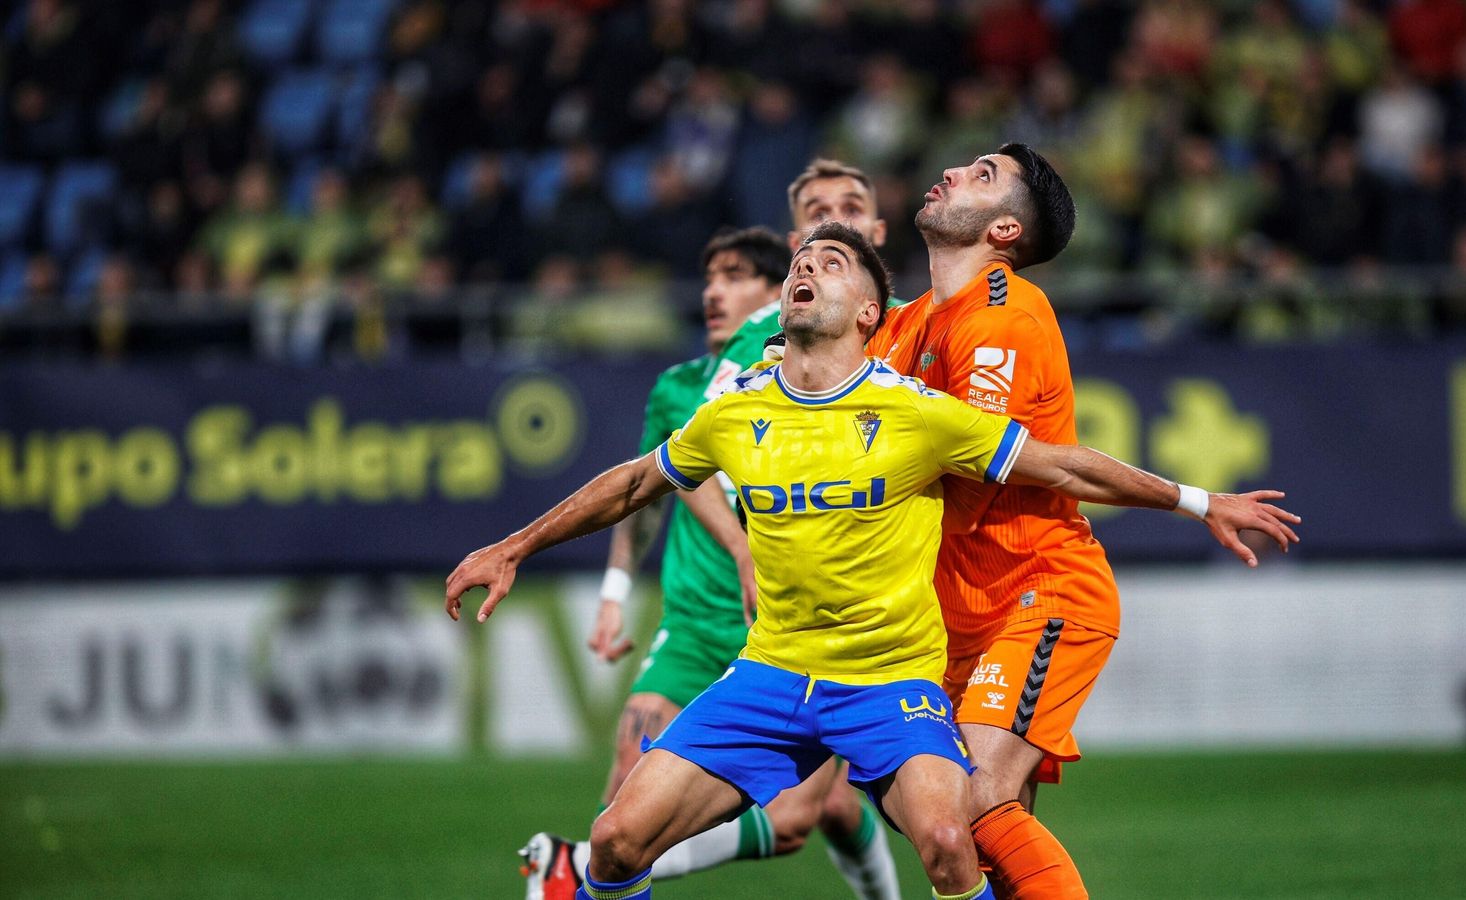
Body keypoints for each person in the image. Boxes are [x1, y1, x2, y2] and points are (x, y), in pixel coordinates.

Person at [447, 223, 1302, 900]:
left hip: (890, 684)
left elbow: (1063, 463)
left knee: (947, 840)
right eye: (800, 263)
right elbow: (634, 484)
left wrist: (1200, 500)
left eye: (831, 262)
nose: (805, 270)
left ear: (869, 315)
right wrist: (512, 546)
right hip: (768, 677)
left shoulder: (913, 412)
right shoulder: (734, 411)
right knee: (613, 840)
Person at [525, 161, 909, 900]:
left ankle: (576, 870)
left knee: (828, 809)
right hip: (709, 620)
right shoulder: (735, 362)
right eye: (820, 213)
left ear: (879, 230)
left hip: (838, 623)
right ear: (797, 248)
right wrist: (620, 589)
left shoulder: (906, 337)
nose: (713, 293)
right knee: (628, 802)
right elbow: (660, 477)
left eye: (852, 207)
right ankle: (584, 871)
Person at [868, 142, 1191, 898]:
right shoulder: (909, 324)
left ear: (1005, 232)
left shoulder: (1002, 318)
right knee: (954, 822)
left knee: (970, 800)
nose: (951, 171)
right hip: (954, 611)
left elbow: (976, 480)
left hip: (1036, 591)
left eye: (983, 176)